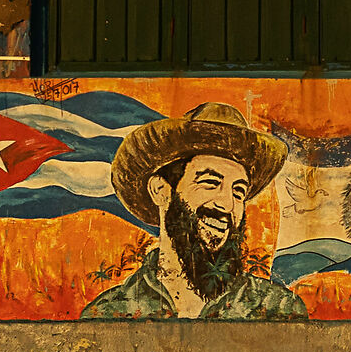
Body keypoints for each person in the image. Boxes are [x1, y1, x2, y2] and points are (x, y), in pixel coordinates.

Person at [80, 103, 308, 321]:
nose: (227, 205)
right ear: (161, 191)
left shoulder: (276, 310)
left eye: (238, 192)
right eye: (210, 182)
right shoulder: (110, 312)